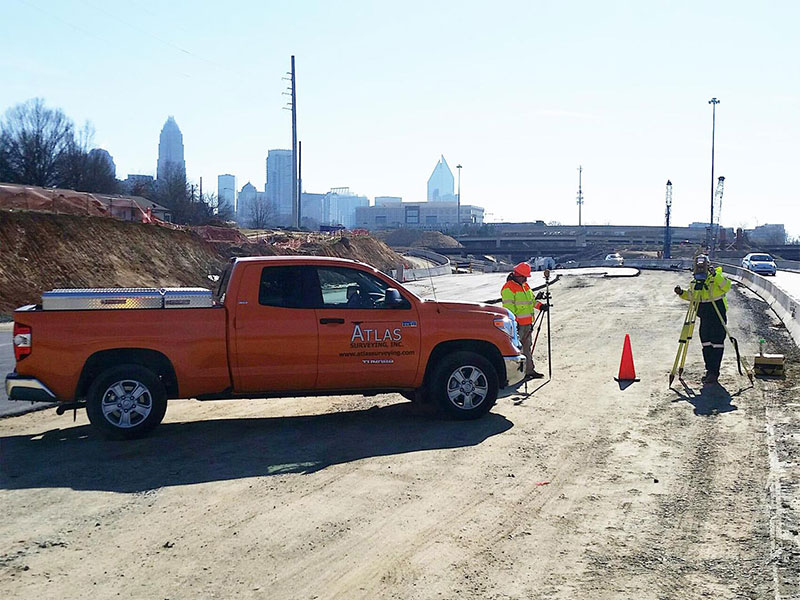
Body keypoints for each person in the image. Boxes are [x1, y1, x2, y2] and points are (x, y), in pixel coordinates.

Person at [674, 262, 732, 385]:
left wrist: (715, 274)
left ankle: (714, 373)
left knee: (716, 344)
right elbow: (692, 295)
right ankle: (709, 370)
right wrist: (681, 293)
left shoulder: (716, 279)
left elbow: (726, 286)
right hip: (704, 318)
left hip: (717, 317)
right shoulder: (695, 283)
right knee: (706, 344)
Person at [502, 262, 548, 379]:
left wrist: (540, 306)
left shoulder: (525, 286)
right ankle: (518, 374)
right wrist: (514, 323)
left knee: (527, 347)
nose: (526, 279)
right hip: (517, 325)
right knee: (518, 349)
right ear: (518, 275)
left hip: (527, 324)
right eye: (524, 276)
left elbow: (531, 302)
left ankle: (529, 371)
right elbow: (509, 309)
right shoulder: (508, 288)